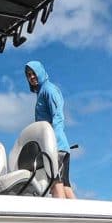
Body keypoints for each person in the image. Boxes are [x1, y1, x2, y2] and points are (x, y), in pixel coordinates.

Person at [25, 60, 76, 199]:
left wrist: (51, 142)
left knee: (55, 183)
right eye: (28, 75)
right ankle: (83, 219)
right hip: (57, 145)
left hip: (55, 145)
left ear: (40, 72)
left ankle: (61, 220)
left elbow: (58, 115)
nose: (31, 77)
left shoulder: (48, 89)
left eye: (33, 73)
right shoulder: (41, 92)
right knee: (65, 185)